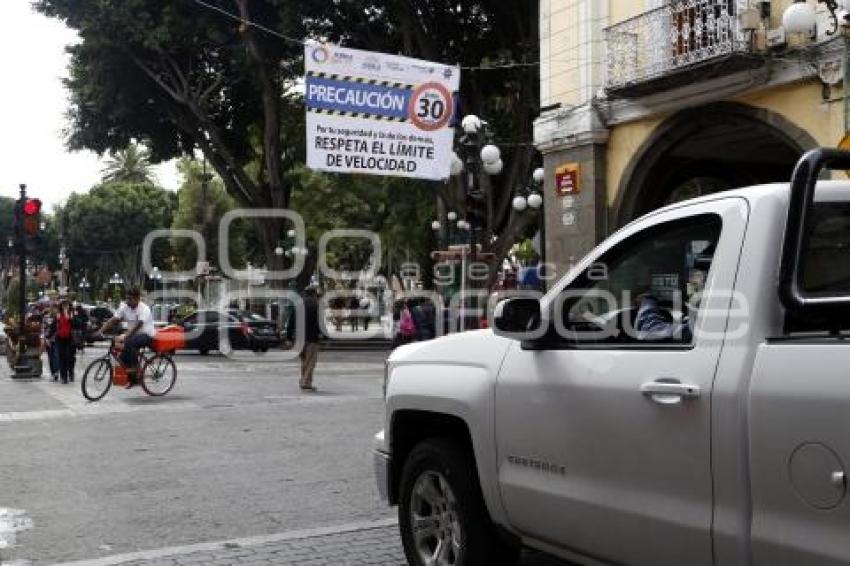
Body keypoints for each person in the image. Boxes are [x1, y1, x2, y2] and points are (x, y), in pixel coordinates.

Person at [99, 288, 156, 388]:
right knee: (122, 357)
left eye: (130, 299)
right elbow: (113, 320)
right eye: (127, 298)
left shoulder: (144, 309)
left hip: (146, 335)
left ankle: (134, 370)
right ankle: (134, 377)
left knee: (129, 343)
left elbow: (138, 325)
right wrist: (100, 331)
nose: (127, 301)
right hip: (133, 336)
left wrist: (125, 336)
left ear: (137, 298)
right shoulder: (125, 307)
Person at [285, 286, 322, 392]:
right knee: (310, 362)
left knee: (304, 361)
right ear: (314, 294)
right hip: (312, 337)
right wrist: (323, 336)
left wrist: (288, 337)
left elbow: (291, 322)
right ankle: (306, 382)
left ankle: (305, 381)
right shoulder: (316, 305)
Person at [50, 301, 77, 384]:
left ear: (69, 306)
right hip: (60, 338)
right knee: (62, 357)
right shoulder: (58, 314)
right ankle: (63, 377)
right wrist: (50, 336)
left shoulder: (72, 313)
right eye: (63, 305)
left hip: (70, 338)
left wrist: (68, 316)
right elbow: (54, 326)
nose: (65, 307)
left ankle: (70, 372)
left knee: (70, 357)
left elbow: (75, 324)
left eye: (67, 305)